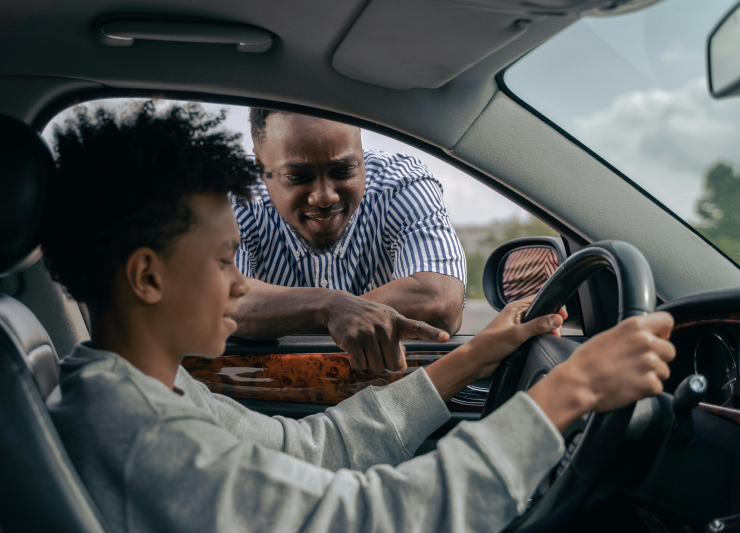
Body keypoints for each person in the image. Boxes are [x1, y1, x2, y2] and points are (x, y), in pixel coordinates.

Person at [42, 102, 676, 533]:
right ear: (148, 278)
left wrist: (479, 353)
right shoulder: (140, 433)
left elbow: (316, 448)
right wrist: (573, 389)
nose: (242, 286)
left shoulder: (151, 390)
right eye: (224, 262)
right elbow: (367, 517)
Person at [230, 109, 467, 371]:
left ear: (361, 154)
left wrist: (296, 316)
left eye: (343, 171)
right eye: (297, 177)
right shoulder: (230, 192)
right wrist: (328, 308)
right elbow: (219, 299)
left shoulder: (401, 183)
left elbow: (440, 301)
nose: (324, 197)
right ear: (260, 165)